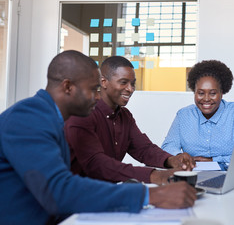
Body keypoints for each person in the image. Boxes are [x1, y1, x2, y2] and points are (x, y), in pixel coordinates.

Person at [0, 51, 196, 225]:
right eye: (93, 89)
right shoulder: (28, 118)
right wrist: (150, 194)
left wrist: (166, 166)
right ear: (68, 87)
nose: (97, 96)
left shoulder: (50, 118)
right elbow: (58, 190)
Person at [65, 56, 195, 185]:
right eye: (123, 82)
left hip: (107, 192)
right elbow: (97, 163)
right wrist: (155, 175)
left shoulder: (125, 116)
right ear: (103, 82)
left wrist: (171, 160)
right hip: (78, 195)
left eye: (133, 84)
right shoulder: (84, 113)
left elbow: (143, 149)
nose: (130, 89)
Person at [162, 60, 234, 163]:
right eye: (201, 93)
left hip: (230, 174)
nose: (206, 99)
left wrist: (213, 160)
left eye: (213, 93)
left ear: (222, 93)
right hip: (192, 174)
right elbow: (168, 146)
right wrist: (180, 157)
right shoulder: (184, 115)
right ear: (194, 92)